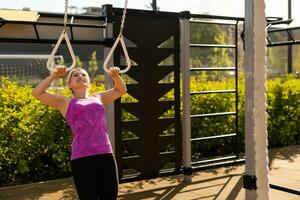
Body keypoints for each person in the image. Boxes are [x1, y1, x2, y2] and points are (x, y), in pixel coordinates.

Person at [32, 65, 126, 200]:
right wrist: (54, 75)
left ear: (89, 82)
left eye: (84, 74)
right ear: (69, 84)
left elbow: (121, 90)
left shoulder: (98, 97)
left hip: (105, 154)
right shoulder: (64, 102)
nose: (80, 76)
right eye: (76, 75)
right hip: (82, 158)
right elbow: (37, 93)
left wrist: (116, 77)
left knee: (110, 197)